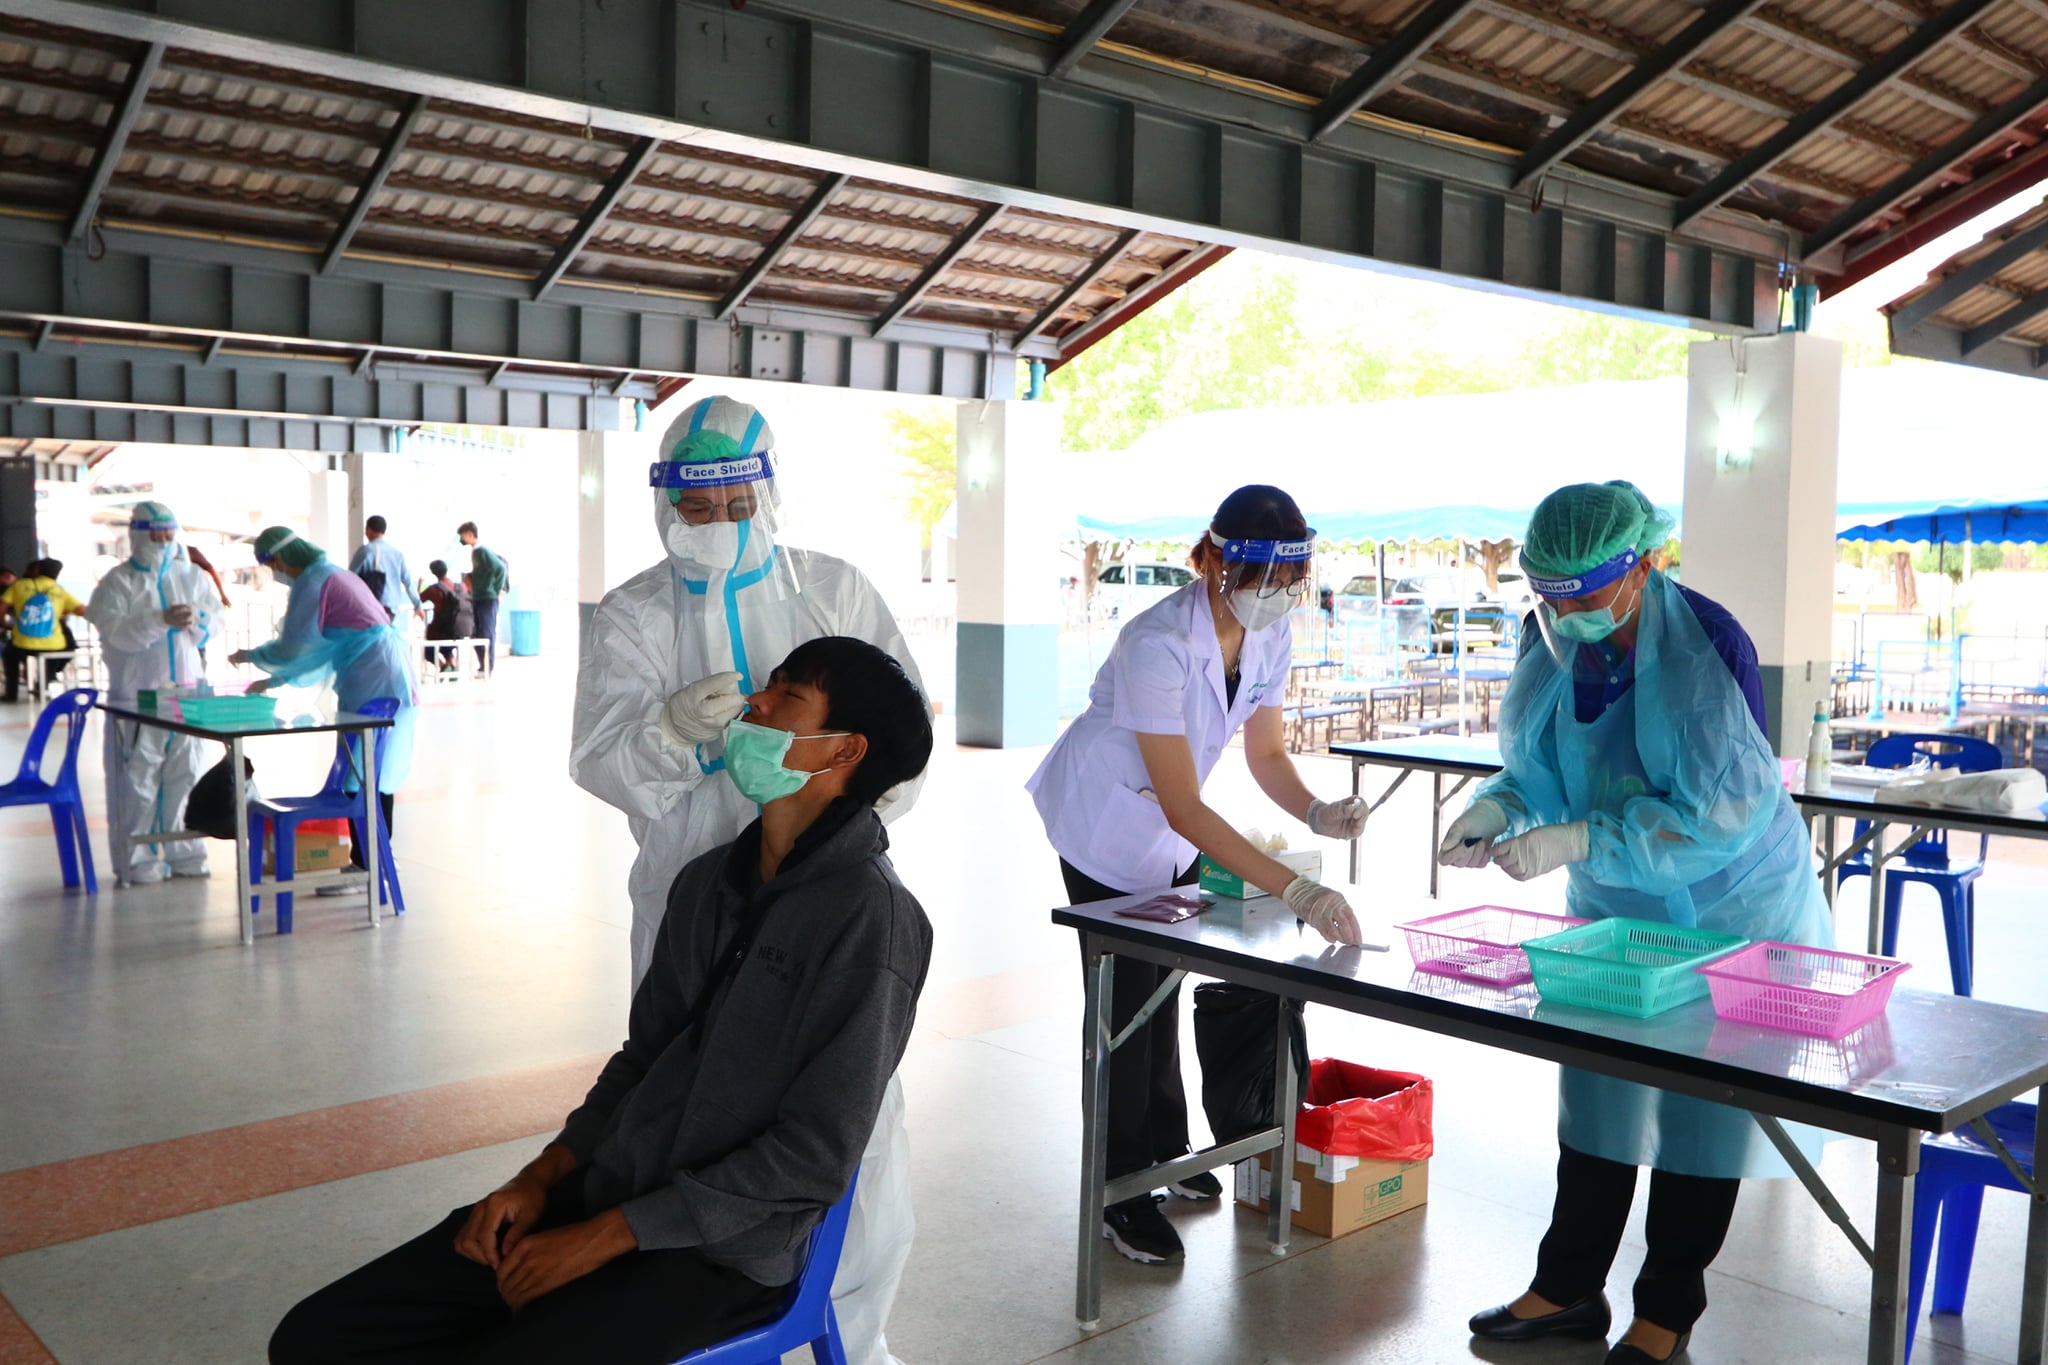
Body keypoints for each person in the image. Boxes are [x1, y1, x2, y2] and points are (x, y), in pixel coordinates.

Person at [270, 637, 934, 1365]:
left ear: (843, 750)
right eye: (767, 685)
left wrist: (607, 1236)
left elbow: (814, 1154)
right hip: (610, 1190)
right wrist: (540, 1178)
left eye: (788, 697)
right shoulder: (708, 883)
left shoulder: (871, 921)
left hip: (719, 1254)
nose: (756, 702)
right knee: (315, 1337)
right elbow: (643, 1060)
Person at [570, 394, 928, 1365]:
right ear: (664, 504)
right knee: (683, 1102)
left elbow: (900, 746)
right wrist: (675, 737)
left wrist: (829, 827)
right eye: (696, 508)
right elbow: (600, 762)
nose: (717, 524)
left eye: (735, 504)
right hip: (692, 908)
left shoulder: (834, 594)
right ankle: (701, 1313)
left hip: (827, 905)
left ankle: (853, 1329)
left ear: (767, 494)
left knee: (850, 1125)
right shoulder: (635, 614)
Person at [1443, 481, 1832, 1365]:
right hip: (1616, 909)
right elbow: (1540, 763)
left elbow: (1720, 813)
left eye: (1583, 594)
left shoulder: (1708, 644)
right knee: (1597, 1093)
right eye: (1550, 595)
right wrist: (1501, 807)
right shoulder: (1549, 640)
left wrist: (1582, 837)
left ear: (1643, 565)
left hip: (1730, 907)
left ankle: (1665, 1313)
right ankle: (1568, 1287)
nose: (1566, 614)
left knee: (1701, 1111)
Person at [1026, 484, 1370, 1267]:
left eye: (1291, 579)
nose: (1277, 594)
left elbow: (1266, 753)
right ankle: (1119, 1187)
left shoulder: (1269, 634)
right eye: (1263, 577)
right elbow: (1183, 804)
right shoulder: (1158, 643)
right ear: (1215, 561)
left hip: (1169, 826)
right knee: (1122, 1000)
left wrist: (1317, 812)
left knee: (1164, 983)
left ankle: (1165, 1147)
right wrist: (1295, 887)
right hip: (1105, 823)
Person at [230, 527, 418, 895]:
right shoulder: (333, 574)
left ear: (281, 558)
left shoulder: (314, 582)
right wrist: (275, 680)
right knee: (372, 768)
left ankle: (365, 866)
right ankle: (377, 856)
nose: (274, 571)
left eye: (271, 564)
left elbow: (297, 647)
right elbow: (325, 646)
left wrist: (254, 657)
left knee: (361, 770)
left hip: (373, 675)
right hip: (383, 669)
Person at [85, 502, 222, 883]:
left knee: (187, 776)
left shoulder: (192, 577)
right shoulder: (119, 582)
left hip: (188, 697)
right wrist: (158, 620)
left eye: (168, 534)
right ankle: (138, 860)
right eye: (154, 534)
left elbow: (215, 622)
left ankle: (186, 853)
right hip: (137, 700)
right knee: (137, 783)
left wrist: (199, 620)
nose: (162, 541)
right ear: (136, 535)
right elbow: (118, 635)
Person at [2, 558, 85, 702]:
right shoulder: (59, 590)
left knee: (9, 654)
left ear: (38, 570)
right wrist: (62, 610)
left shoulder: (19, 585)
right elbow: (81, 610)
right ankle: (43, 686)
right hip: (52, 645)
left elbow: (1, 607)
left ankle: (11, 693)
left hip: (22, 643)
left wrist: (4, 624)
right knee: (57, 651)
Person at [348, 515, 426, 624]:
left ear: (368, 530)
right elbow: (408, 582)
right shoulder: (397, 554)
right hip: (392, 609)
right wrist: (418, 605)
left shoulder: (366, 551)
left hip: (372, 607)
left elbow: (349, 579)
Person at [458, 521, 507, 670]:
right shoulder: (475, 552)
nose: (461, 540)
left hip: (487, 599)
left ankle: (488, 666)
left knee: (486, 632)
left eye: (463, 536)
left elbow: (500, 568)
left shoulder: (483, 551)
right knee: (476, 633)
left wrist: (496, 590)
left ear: (470, 535)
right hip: (478, 597)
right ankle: (482, 665)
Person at [419, 559, 474, 672]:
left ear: (433, 572)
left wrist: (420, 584)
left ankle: (444, 666)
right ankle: (452, 666)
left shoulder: (434, 589)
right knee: (446, 648)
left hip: (441, 633)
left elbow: (420, 598)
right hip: (461, 631)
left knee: (428, 651)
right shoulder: (462, 587)